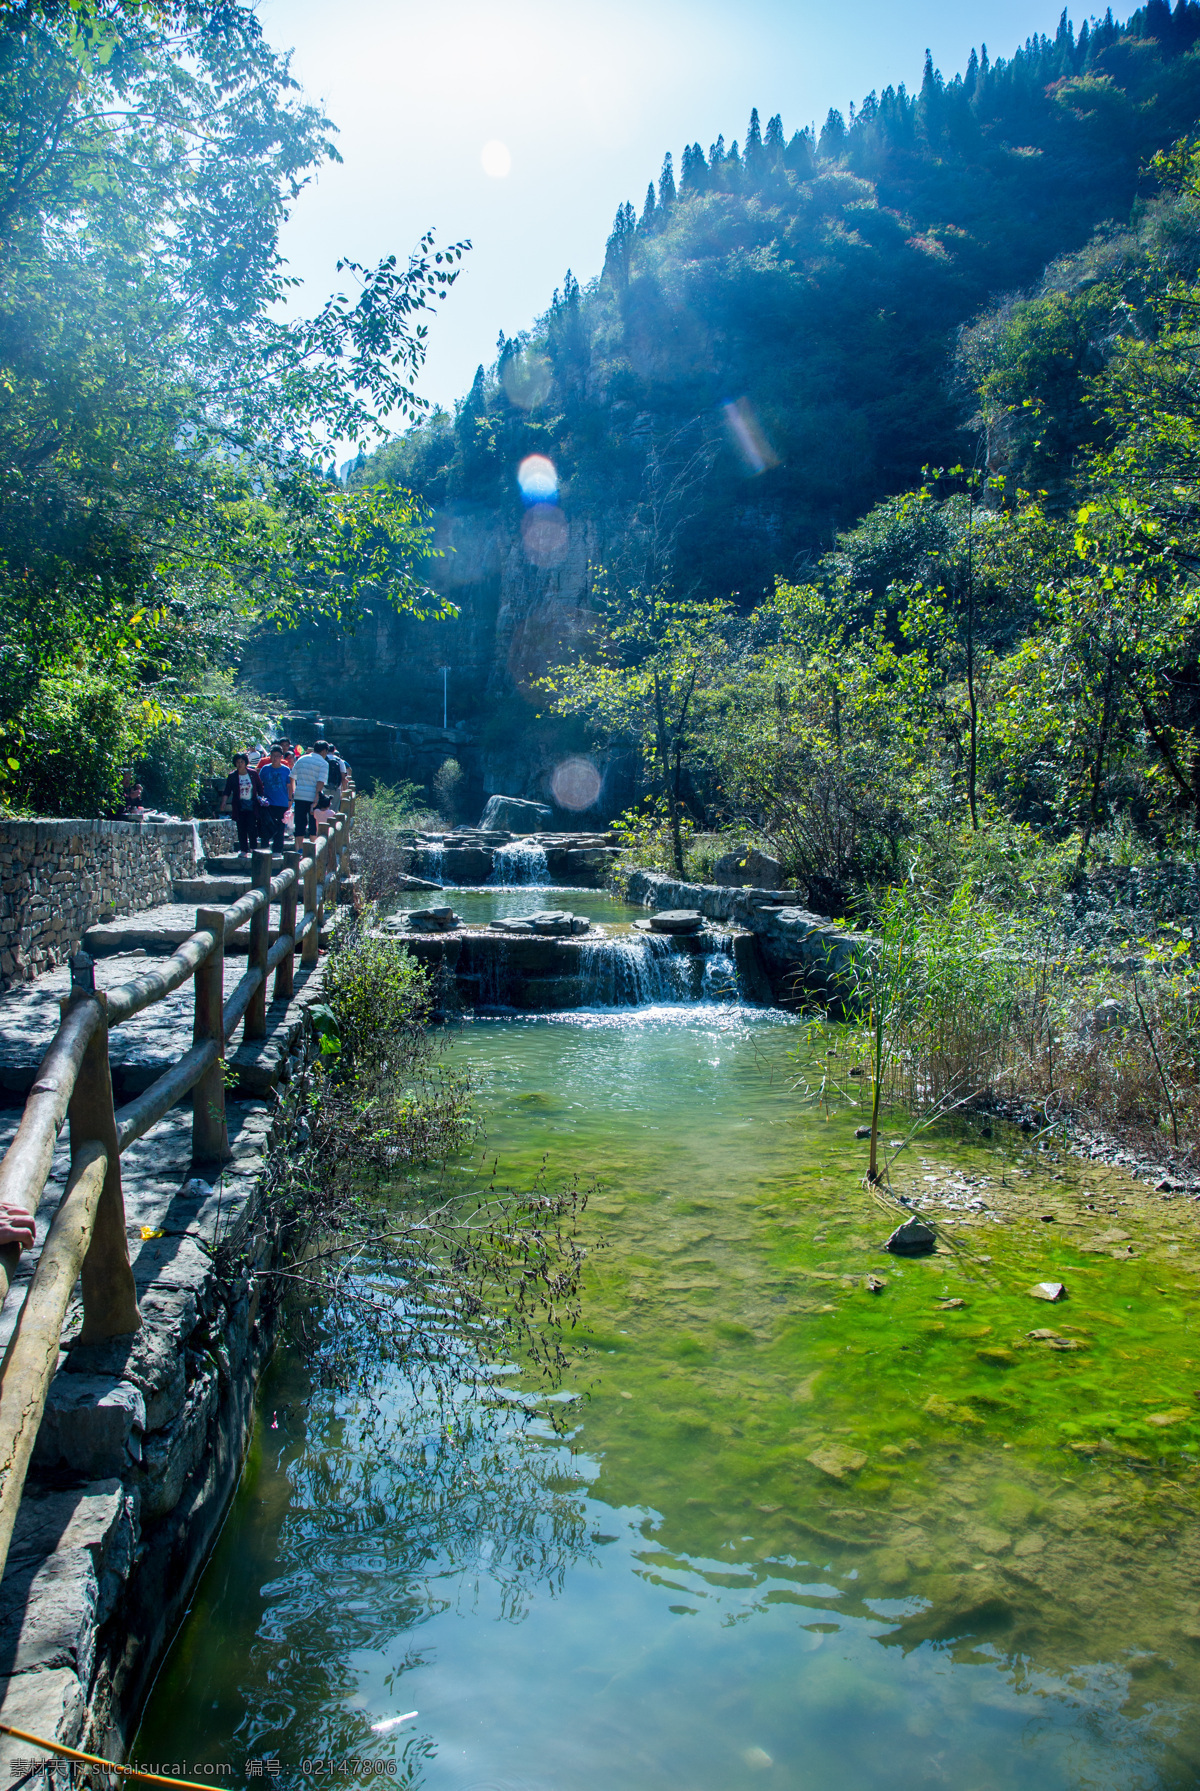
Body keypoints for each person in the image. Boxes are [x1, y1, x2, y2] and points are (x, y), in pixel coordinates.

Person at [220, 753, 265, 854]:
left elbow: (260, 787)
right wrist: (223, 802)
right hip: (238, 805)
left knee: (252, 827)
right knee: (241, 828)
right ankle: (244, 849)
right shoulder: (232, 776)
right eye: (237, 762)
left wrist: (261, 799)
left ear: (245, 763)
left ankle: (253, 847)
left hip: (252, 805)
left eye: (242, 762)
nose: (240, 764)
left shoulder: (253, 773)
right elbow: (227, 790)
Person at [290, 739, 329, 841]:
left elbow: (292, 777)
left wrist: (294, 791)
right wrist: (317, 795)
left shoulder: (301, 759)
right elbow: (320, 782)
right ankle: (312, 848)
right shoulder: (323, 763)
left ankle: (298, 849)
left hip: (299, 795)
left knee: (299, 823)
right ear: (324, 751)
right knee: (313, 823)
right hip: (313, 797)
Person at [257, 744, 293, 852]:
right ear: (270, 756)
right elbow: (259, 784)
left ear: (281, 757)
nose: (275, 758)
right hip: (267, 803)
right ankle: (264, 847)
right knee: (265, 825)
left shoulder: (286, 770)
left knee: (280, 827)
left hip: (281, 802)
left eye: (278, 756)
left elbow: (289, 786)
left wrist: (290, 800)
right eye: (273, 755)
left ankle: (277, 850)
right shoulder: (265, 769)